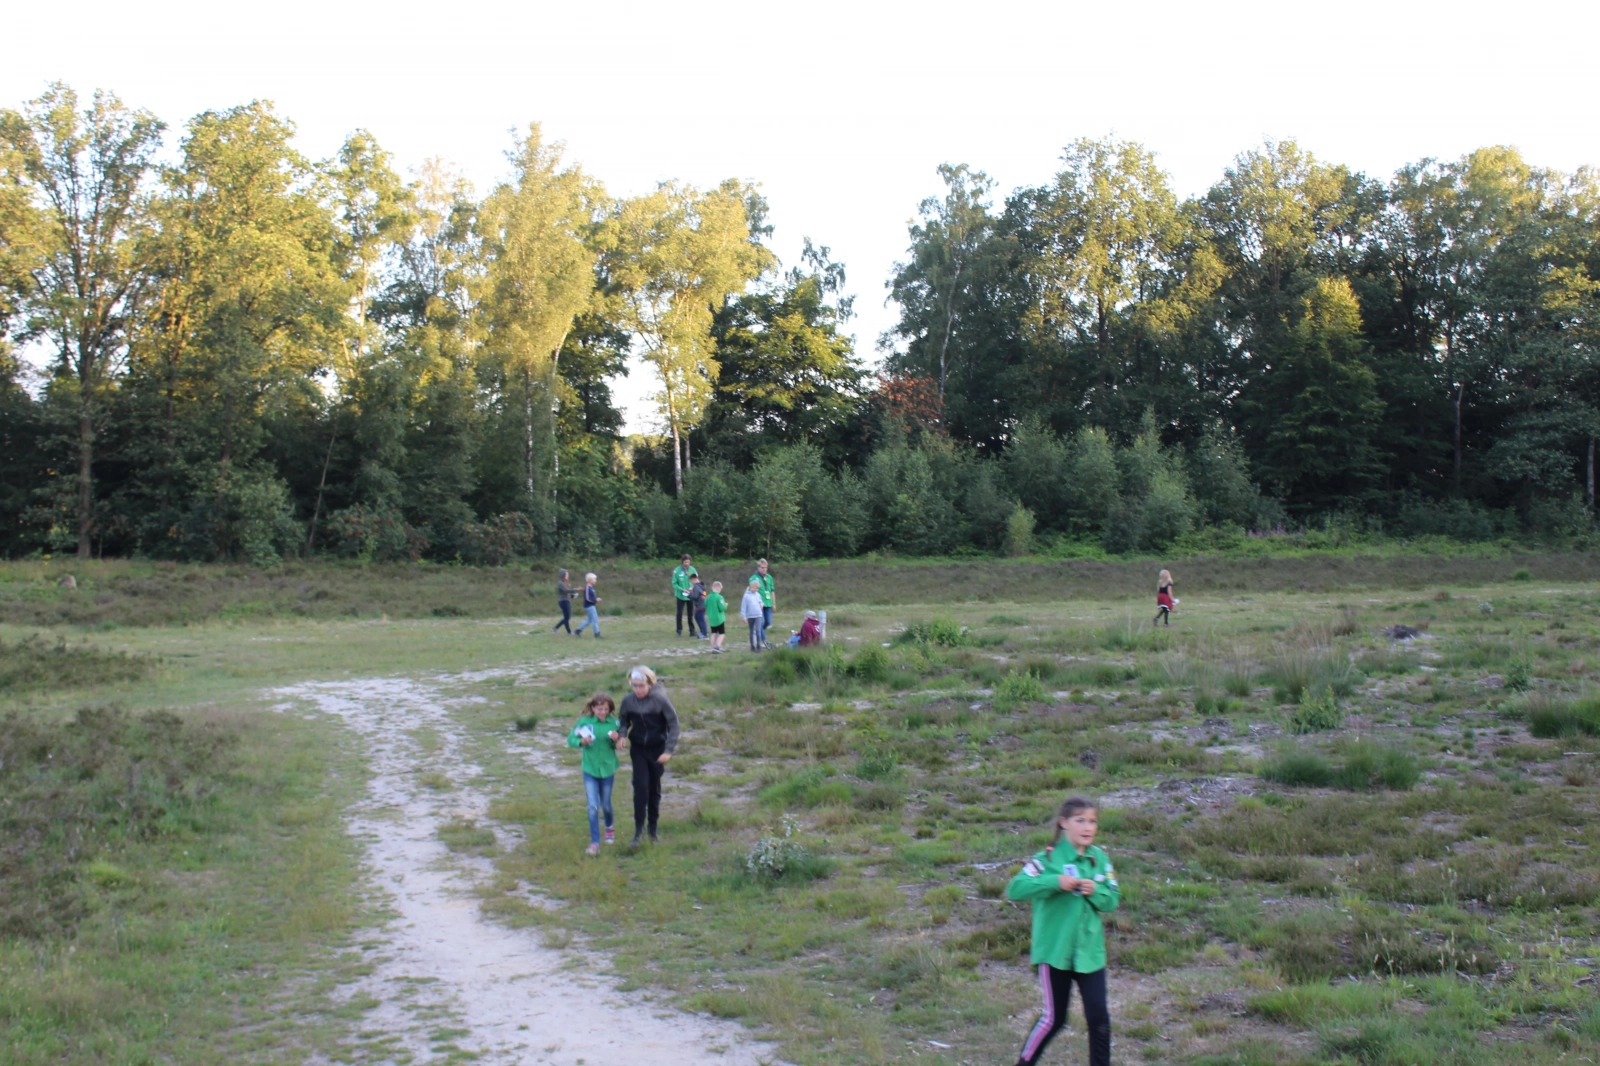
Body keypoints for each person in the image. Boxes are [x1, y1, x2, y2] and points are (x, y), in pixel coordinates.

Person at [1006, 796, 1119, 1066]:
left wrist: (1097, 891)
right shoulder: (1047, 858)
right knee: (1054, 1019)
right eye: (1080, 820)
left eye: (1092, 821)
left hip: (1089, 953)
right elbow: (1016, 888)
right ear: (1064, 823)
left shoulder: (1099, 859)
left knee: (1099, 1019)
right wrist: (1055, 882)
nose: (1087, 827)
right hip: (1055, 952)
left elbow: (1113, 899)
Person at [616, 665, 679, 845]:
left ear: (650, 683)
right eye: (634, 686)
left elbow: (674, 725)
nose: (638, 690)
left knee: (653, 788)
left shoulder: (660, 700)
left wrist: (668, 751)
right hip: (638, 749)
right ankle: (638, 831)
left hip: (657, 749)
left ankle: (653, 830)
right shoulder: (628, 700)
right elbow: (623, 721)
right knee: (640, 787)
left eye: (641, 686)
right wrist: (621, 735)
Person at [566, 693, 620, 855]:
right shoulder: (584, 723)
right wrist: (581, 742)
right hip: (590, 769)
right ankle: (594, 843)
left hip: (607, 769)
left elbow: (618, 745)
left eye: (605, 709)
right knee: (592, 806)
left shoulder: (615, 723)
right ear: (592, 708)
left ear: (610, 709)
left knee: (605, 804)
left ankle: (609, 827)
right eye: (599, 709)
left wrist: (616, 739)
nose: (602, 712)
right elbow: (570, 740)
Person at [748, 558, 775, 648]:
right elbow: (752, 591)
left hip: (768, 603)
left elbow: (772, 591)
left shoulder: (769, 578)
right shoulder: (753, 578)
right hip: (758, 604)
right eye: (762, 567)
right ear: (758, 567)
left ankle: (758, 633)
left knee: (768, 622)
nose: (764, 569)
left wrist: (774, 603)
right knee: (761, 622)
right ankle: (764, 641)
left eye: (765, 567)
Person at [574, 573, 603, 638]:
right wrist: (595, 600)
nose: (595, 580)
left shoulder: (591, 588)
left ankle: (577, 631)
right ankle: (597, 634)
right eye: (594, 579)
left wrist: (596, 598)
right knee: (595, 620)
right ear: (589, 580)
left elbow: (592, 597)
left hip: (592, 605)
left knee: (589, 620)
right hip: (589, 606)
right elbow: (587, 598)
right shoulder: (587, 588)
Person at [672, 554, 695, 637]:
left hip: (690, 595)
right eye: (685, 562)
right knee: (679, 613)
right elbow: (674, 583)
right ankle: (679, 631)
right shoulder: (677, 570)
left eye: (688, 562)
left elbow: (696, 582)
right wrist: (682, 589)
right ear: (682, 561)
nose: (687, 564)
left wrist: (692, 588)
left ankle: (692, 631)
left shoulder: (693, 570)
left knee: (690, 614)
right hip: (680, 596)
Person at [740, 579, 765, 653]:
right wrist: (744, 617)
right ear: (752, 587)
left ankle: (758, 646)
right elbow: (743, 607)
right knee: (751, 631)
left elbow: (761, 602)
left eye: (758, 588)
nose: (757, 590)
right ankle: (752, 646)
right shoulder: (746, 596)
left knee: (758, 631)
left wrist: (761, 605)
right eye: (756, 588)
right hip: (751, 616)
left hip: (758, 615)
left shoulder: (758, 594)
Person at [705, 580, 728, 653]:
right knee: (722, 633)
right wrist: (725, 605)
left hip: (711, 618)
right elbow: (722, 608)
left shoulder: (708, 597)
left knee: (713, 633)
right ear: (718, 588)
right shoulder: (719, 597)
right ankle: (717, 647)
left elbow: (705, 605)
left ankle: (713, 647)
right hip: (719, 618)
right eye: (720, 589)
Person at [688, 570, 709, 640]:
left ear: (693, 579)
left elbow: (695, 596)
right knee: (698, 617)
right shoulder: (702, 585)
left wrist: (688, 594)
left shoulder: (696, 586)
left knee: (700, 619)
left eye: (691, 581)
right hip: (704, 603)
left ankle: (704, 634)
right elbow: (703, 593)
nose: (691, 582)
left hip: (700, 605)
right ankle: (703, 632)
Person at [553, 569, 575, 634]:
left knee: (567, 617)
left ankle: (555, 628)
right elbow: (566, 591)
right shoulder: (560, 583)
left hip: (566, 600)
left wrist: (572, 596)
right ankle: (569, 632)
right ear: (563, 575)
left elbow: (566, 594)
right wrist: (576, 589)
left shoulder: (565, 583)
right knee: (567, 618)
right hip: (563, 601)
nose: (567, 576)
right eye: (566, 574)